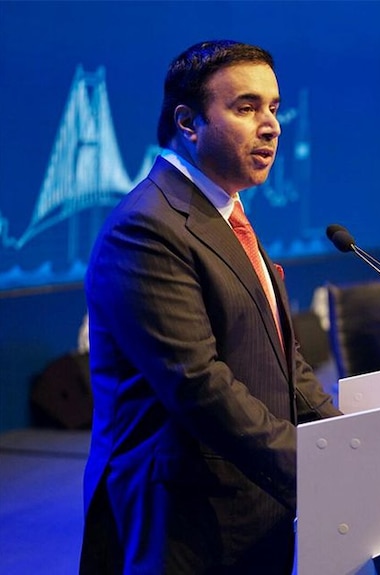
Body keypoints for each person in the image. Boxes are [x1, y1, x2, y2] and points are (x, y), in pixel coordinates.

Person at [79, 40, 341, 574]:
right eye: (246, 107)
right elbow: (199, 385)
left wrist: (350, 446)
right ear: (189, 122)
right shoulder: (149, 226)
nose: (271, 125)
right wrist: (318, 468)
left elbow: (284, 362)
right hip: (184, 519)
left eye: (273, 107)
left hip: (252, 497)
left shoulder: (225, 212)